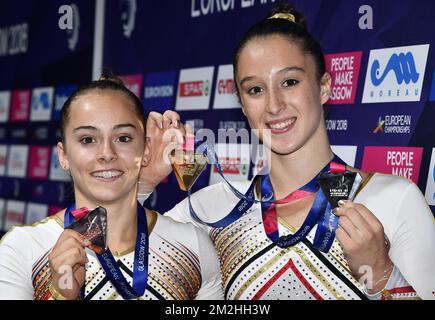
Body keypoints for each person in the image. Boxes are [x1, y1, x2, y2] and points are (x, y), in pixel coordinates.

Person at [143, 4, 435, 300]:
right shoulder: (213, 209)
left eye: (290, 82)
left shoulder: (393, 200)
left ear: (324, 87)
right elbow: (112, 273)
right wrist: (142, 185)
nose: (274, 105)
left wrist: (382, 273)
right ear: (242, 104)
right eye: (255, 89)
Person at [0, 72, 223, 300]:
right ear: (63, 155)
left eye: (123, 138)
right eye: (87, 139)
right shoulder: (23, 249)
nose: (107, 154)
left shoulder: (192, 246)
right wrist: (59, 295)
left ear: (145, 150)